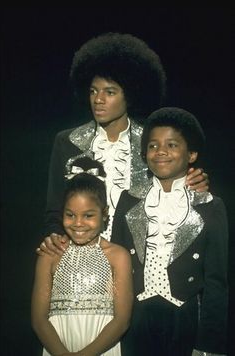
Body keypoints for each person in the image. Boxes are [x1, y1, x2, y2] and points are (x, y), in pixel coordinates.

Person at [37, 32, 209, 255]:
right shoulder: (67, 142)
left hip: (139, 259)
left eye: (109, 92)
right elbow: (54, 210)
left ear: (130, 95)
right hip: (79, 253)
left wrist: (194, 184)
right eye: (93, 91)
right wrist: (53, 236)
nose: (98, 99)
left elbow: (173, 195)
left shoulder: (151, 144)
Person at [111, 107, 228, 356]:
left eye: (172, 145)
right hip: (134, 319)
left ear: (192, 154)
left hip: (186, 318)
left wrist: (209, 343)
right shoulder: (128, 201)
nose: (161, 152)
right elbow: (115, 265)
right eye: (153, 146)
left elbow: (217, 280)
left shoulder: (210, 206)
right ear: (144, 154)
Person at [31, 157, 133, 356]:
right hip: (57, 346)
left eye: (88, 215)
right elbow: (38, 320)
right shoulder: (51, 255)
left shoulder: (118, 256)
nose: (78, 223)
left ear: (104, 214)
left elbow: (122, 320)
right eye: (70, 215)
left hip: (102, 346)